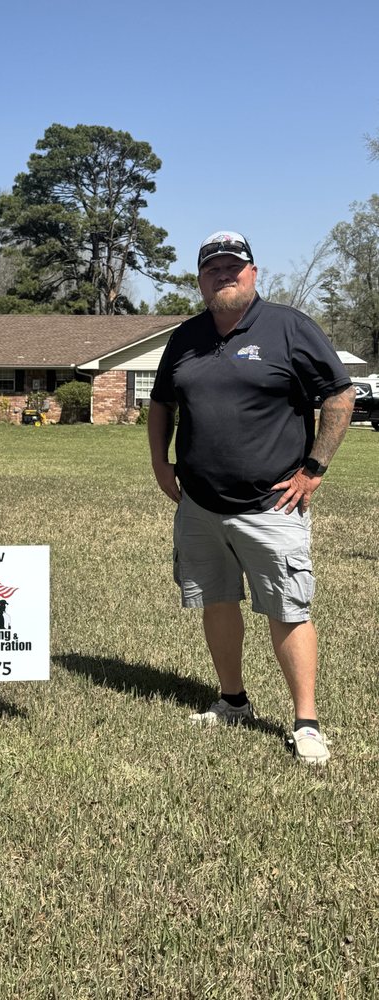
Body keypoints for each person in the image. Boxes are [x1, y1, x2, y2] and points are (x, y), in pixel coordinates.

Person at [148, 231, 355, 766]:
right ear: (200, 279)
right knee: (215, 601)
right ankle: (232, 700)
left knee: (288, 607)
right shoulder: (186, 336)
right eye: (213, 268)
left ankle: (306, 722)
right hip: (199, 504)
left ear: (254, 272)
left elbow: (339, 392)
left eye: (233, 266)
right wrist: (159, 462)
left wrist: (315, 467)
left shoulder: (288, 327)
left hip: (272, 506)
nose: (225, 275)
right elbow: (162, 403)